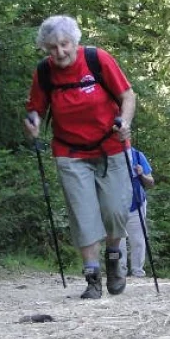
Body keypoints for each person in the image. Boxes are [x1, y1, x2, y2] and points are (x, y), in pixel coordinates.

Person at [23, 15, 136, 300]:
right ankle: (92, 276)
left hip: (111, 145)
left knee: (115, 210)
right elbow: (35, 107)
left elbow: (127, 95)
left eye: (64, 44)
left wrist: (125, 122)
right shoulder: (45, 72)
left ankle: (113, 257)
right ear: (45, 49)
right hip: (69, 151)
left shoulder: (98, 60)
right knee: (83, 214)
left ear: (75, 42)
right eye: (52, 47)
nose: (60, 52)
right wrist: (32, 121)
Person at [119, 147, 154, 278]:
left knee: (138, 240)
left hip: (137, 202)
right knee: (118, 240)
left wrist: (141, 174)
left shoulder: (138, 155)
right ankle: (119, 271)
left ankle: (137, 272)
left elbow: (151, 182)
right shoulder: (108, 154)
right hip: (115, 204)